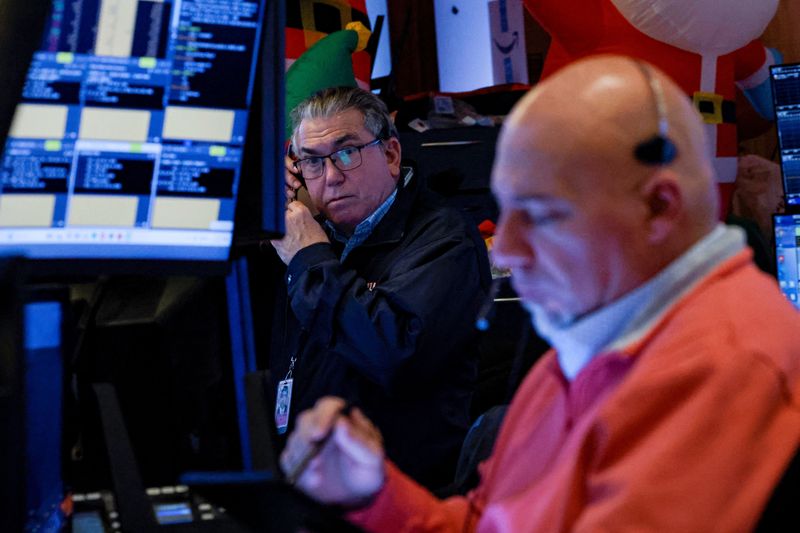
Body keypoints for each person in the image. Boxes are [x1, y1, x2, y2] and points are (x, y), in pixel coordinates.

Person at [278, 55, 800, 531]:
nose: (507, 247)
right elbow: (486, 522)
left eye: (543, 213)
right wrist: (375, 495)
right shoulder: (578, 348)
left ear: (659, 208)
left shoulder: (731, 367)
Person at [268, 86, 492, 489]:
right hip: (312, 491)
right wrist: (269, 203)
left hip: (406, 498)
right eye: (313, 162)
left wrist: (310, 260)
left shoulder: (443, 239)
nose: (332, 177)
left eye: (347, 153)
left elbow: (394, 351)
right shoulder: (306, 238)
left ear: (390, 154)